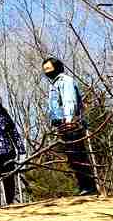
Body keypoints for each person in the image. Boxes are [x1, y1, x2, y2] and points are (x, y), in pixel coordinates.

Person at [42, 57, 99, 196]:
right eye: (45, 70)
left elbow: (69, 101)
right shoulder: (54, 84)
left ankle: (89, 187)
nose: (47, 72)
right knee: (72, 156)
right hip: (63, 124)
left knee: (78, 154)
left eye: (49, 68)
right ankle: (84, 186)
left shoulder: (65, 81)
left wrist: (69, 120)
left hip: (71, 123)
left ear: (57, 67)